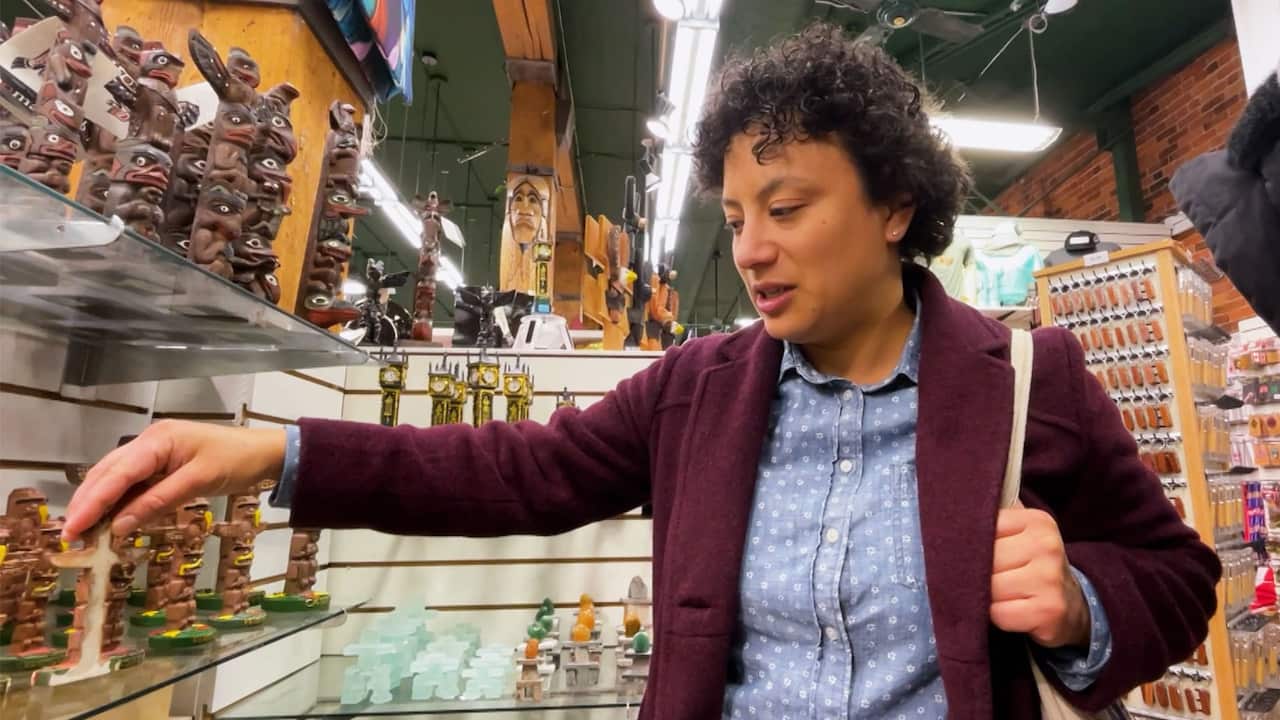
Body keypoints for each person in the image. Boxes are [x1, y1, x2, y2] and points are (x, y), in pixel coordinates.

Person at [64, 23, 1219, 720]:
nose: (751, 248)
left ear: (893, 208)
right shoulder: (698, 390)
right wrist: (277, 451)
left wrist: (1076, 605)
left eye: (788, 206)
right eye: (732, 215)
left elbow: (1176, 574)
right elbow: (513, 472)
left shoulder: (1029, 379)